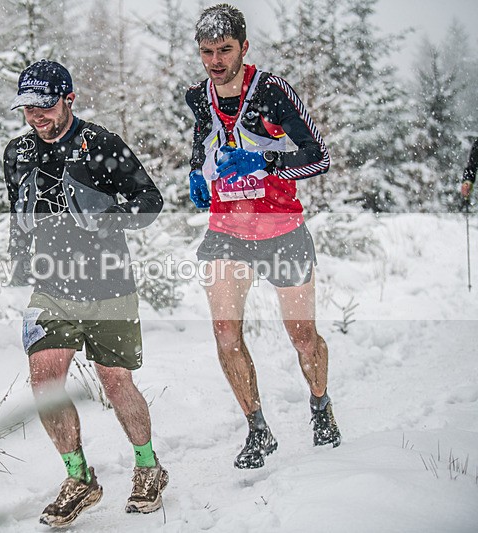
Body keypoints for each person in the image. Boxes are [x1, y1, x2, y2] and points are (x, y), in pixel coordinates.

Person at [3, 59, 167, 527]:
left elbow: (150, 203)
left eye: (44, 106)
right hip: (51, 285)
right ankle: (79, 478)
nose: (35, 117)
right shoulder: (17, 153)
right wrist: (19, 255)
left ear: (68, 99)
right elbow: (16, 209)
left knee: (115, 382)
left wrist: (102, 212)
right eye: (27, 108)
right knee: (44, 380)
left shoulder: (101, 145)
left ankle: (148, 467)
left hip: (108, 282)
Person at [184, 4, 341, 470]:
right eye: (207, 51)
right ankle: (257, 430)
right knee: (225, 332)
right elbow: (203, 136)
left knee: (302, 335)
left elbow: (319, 157)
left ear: (244, 47)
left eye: (224, 50)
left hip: (282, 230)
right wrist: (196, 170)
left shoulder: (271, 91)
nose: (215, 60)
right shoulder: (197, 96)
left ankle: (320, 405)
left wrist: (265, 164)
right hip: (227, 231)